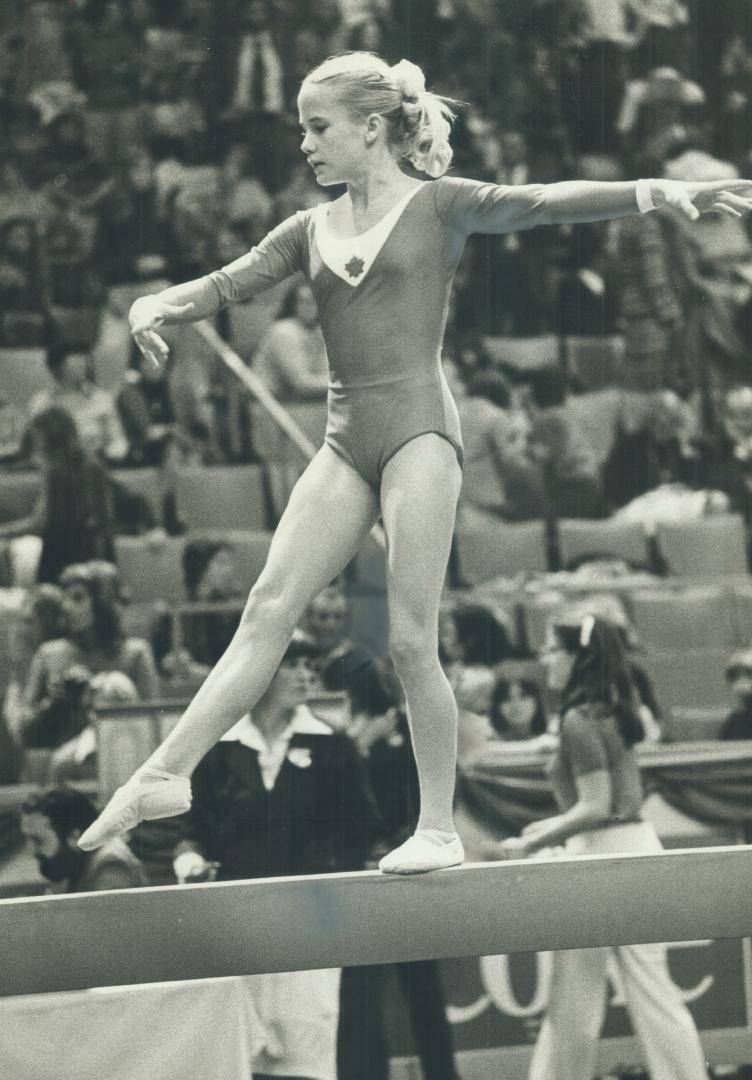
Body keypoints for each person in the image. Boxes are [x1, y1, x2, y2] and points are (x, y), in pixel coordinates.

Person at [79, 49, 752, 873]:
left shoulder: (441, 206)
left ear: (372, 129)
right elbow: (225, 285)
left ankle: (437, 827)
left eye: (318, 128)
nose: (305, 145)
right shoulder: (308, 229)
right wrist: (157, 302)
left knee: (409, 638)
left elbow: (542, 203)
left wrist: (658, 191)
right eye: (301, 130)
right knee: (266, 607)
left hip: (419, 436)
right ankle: (164, 773)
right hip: (344, 439)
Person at [485, 614, 707, 1080]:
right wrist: (546, 824)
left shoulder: (577, 720)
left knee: (574, 997)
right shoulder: (614, 708)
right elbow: (603, 805)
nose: (543, 657)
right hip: (636, 848)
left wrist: (533, 840)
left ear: (576, 657)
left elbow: (595, 806)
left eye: (551, 647)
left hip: (601, 856)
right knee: (648, 991)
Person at [172, 634, 380, 1080]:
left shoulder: (333, 746)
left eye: (311, 664)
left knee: (306, 1058)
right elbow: (191, 831)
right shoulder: (217, 749)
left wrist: (317, 883)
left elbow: (362, 830)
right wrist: (189, 862)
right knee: (240, 1059)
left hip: (313, 925)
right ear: (261, 673)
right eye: (293, 664)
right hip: (236, 927)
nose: (307, 674)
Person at [23, 561, 159, 727]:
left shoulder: (135, 654)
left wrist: (100, 690)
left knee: (115, 683)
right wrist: (51, 703)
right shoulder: (49, 654)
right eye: (65, 598)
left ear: (102, 603)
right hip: (64, 750)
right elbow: (24, 731)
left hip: (119, 745)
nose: (66, 607)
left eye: (78, 598)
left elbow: (154, 722)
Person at [21, 787, 148, 894]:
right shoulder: (72, 858)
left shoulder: (110, 867)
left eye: (38, 840)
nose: (31, 851)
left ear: (74, 836)